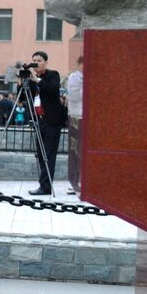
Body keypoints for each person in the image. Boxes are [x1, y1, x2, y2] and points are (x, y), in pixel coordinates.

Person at [28, 50, 68, 196]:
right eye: (34, 60)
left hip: (52, 121)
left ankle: (45, 186)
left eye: (39, 60)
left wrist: (37, 80)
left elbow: (53, 89)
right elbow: (26, 97)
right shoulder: (32, 79)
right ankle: (44, 184)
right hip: (39, 120)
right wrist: (23, 83)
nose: (36, 63)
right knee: (40, 153)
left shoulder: (53, 75)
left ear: (46, 62)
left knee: (48, 154)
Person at [65, 54, 84, 195]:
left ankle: (85, 181)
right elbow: (76, 97)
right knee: (75, 150)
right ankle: (74, 181)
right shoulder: (74, 78)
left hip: (90, 118)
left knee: (86, 151)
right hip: (76, 117)